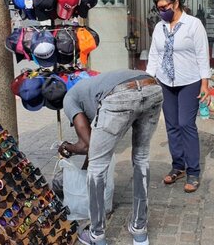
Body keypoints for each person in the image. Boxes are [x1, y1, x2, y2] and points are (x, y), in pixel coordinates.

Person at [59, 69, 163, 245]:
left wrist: (67, 147)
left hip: (120, 96)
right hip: (152, 88)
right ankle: (140, 230)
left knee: (97, 168)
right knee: (141, 159)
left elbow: (88, 145)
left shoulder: (69, 99)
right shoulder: (91, 85)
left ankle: (96, 235)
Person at [146, 0, 211, 193]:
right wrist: (149, 78)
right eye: (158, 8)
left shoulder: (193, 25)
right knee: (172, 125)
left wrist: (205, 83)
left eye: (164, 7)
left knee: (186, 124)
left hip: (189, 81)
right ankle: (178, 166)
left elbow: (202, 54)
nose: (161, 11)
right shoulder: (159, 27)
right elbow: (154, 54)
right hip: (166, 81)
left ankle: (193, 170)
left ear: (175, 4)